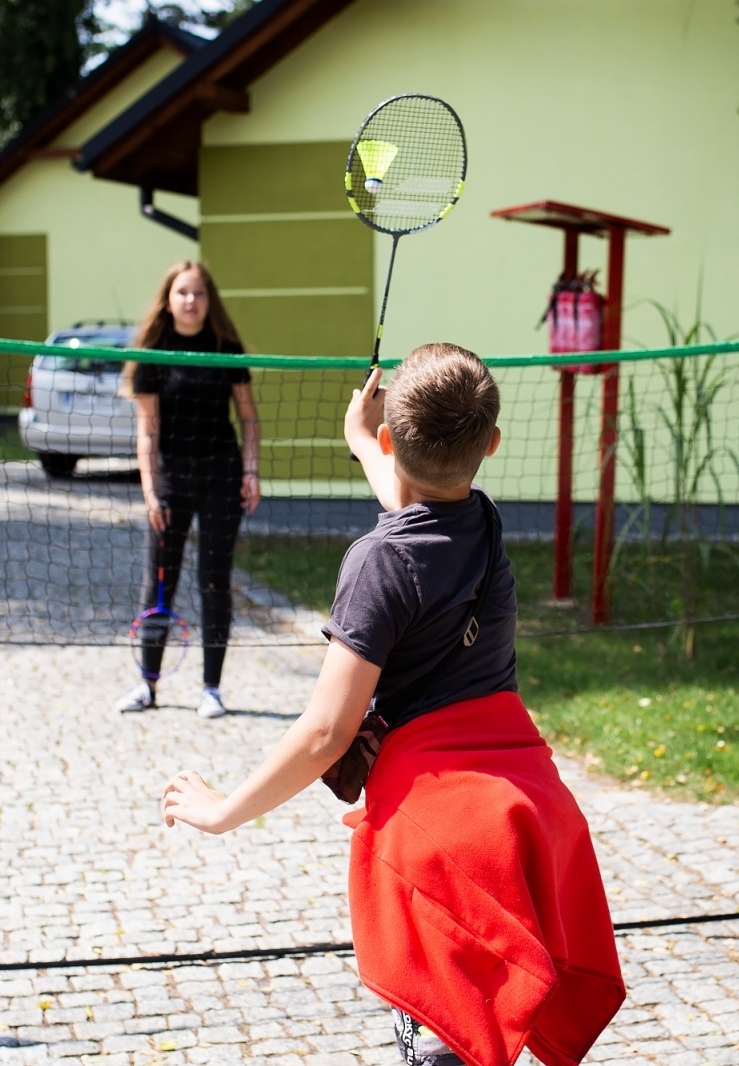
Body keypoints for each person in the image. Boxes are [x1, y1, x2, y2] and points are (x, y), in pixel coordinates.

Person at [161, 344, 624, 1066]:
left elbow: (325, 731)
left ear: (389, 441)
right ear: (491, 446)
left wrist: (223, 811)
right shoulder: (485, 522)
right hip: (527, 808)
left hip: (443, 833)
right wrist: (360, 437)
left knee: (445, 1040)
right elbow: (418, 497)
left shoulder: (380, 562)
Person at [113, 261, 261, 719]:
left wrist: (250, 472)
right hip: (172, 482)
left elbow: (249, 419)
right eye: (182, 293)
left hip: (221, 476)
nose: (191, 301)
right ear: (169, 299)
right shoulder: (154, 354)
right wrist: (151, 492)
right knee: (160, 582)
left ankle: (211, 689)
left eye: (198, 293)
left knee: (214, 583)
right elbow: (147, 433)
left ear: (209, 299)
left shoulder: (226, 348)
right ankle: (148, 686)